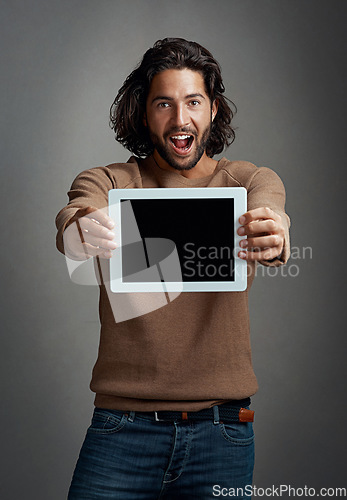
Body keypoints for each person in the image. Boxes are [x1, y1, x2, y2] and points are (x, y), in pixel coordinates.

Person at [56, 37, 290, 500]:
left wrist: (274, 231)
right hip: (121, 428)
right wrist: (81, 229)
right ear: (144, 113)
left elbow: (271, 210)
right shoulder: (110, 180)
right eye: (164, 103)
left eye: (193, 102)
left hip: (222, 431)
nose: (180, 120)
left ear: (214, 110)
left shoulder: (247, 180)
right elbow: (77, 211)